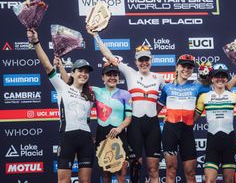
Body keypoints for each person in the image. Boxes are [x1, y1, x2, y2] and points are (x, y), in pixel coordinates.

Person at [86, 26, 165, 183]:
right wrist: (96, 35)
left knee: (153, 168)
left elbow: (172, 93)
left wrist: (158, 108)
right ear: (135, 61)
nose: (144, 63)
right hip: (134, 124)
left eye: (146, 59)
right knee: (135, 166)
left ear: (151, 60)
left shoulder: (159, 78)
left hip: (152, 125)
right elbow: (107, 54)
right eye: (141, 60)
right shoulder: (130, 73)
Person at [157, 55, 236, 183]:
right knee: (171, 170)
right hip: (170, 130)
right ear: (177, 67)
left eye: (190, 67)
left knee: (191, 172)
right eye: (183, 66)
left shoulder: (197, 87)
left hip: (187, 132)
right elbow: (155, 110)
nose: (186, 69)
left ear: (193, 70)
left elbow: (223, 89)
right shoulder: (166, 87)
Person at [27, 29, 95, 183]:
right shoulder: (62, 87)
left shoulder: (90, 96)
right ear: (73, 72)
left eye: (86, 72)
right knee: (63, 181)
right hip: (67, 138)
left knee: (85, 181)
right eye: (80, 71)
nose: (83, 74)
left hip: (86, 140)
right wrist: (36, 42)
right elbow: (46, 65)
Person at [194, 63, 236, 183]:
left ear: (227, 79)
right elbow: (193, 119)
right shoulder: (204, 97)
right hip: (212, 143)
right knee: (209, 180)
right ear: (212, 79)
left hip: (229, 143)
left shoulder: (234, 96)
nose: (220, 79)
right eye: (217, 76)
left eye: (223, 76)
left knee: (229, 180)